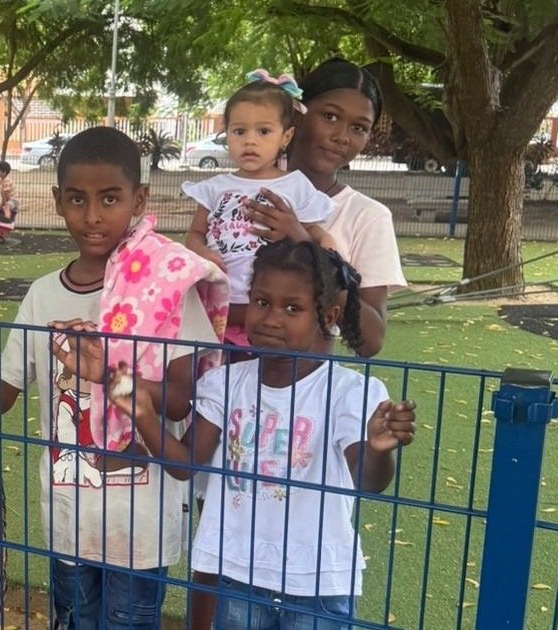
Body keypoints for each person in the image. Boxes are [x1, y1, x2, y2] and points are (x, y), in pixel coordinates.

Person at [0, 127, 223, 629]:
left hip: (141, 527)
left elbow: (177, 402)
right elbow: (1, 397)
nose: (92, 215)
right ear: (58, 201)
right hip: (70, 518)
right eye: (78, 199)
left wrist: (111, 376)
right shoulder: (43, 296)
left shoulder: (167, 287)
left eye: (110, 198)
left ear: (138, 200)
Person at [118, 239, 416, 629]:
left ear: (328, 314)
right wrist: (142, 414)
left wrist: (379, 450)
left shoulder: (351, 393)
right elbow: (186, 464)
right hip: (237, 574)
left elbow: (367, 480)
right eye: (261, 302)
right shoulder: (224, 383)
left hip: (316, 583)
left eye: (293, 308)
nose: (271, 318)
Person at [245, 58, 406, 358]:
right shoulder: (245, 189)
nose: (342, 136)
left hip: (303, 386)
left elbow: (370, 341)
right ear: (298, 113)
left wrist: (308, 246)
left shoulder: (367, 217)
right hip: (223, 373)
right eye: (330, 116)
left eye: (359, 128)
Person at [183, 69, 336, 347]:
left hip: (270, 309)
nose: (250, 141)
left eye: (264, 131)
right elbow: (194, 234)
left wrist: (329, 259)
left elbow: (317, 234)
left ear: (286, 137)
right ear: (226, 133)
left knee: (263, 376)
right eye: (239, 131)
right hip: (215, 304)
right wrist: (204, 252)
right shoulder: (214, 187)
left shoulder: (295, 186)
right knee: (215, 375)